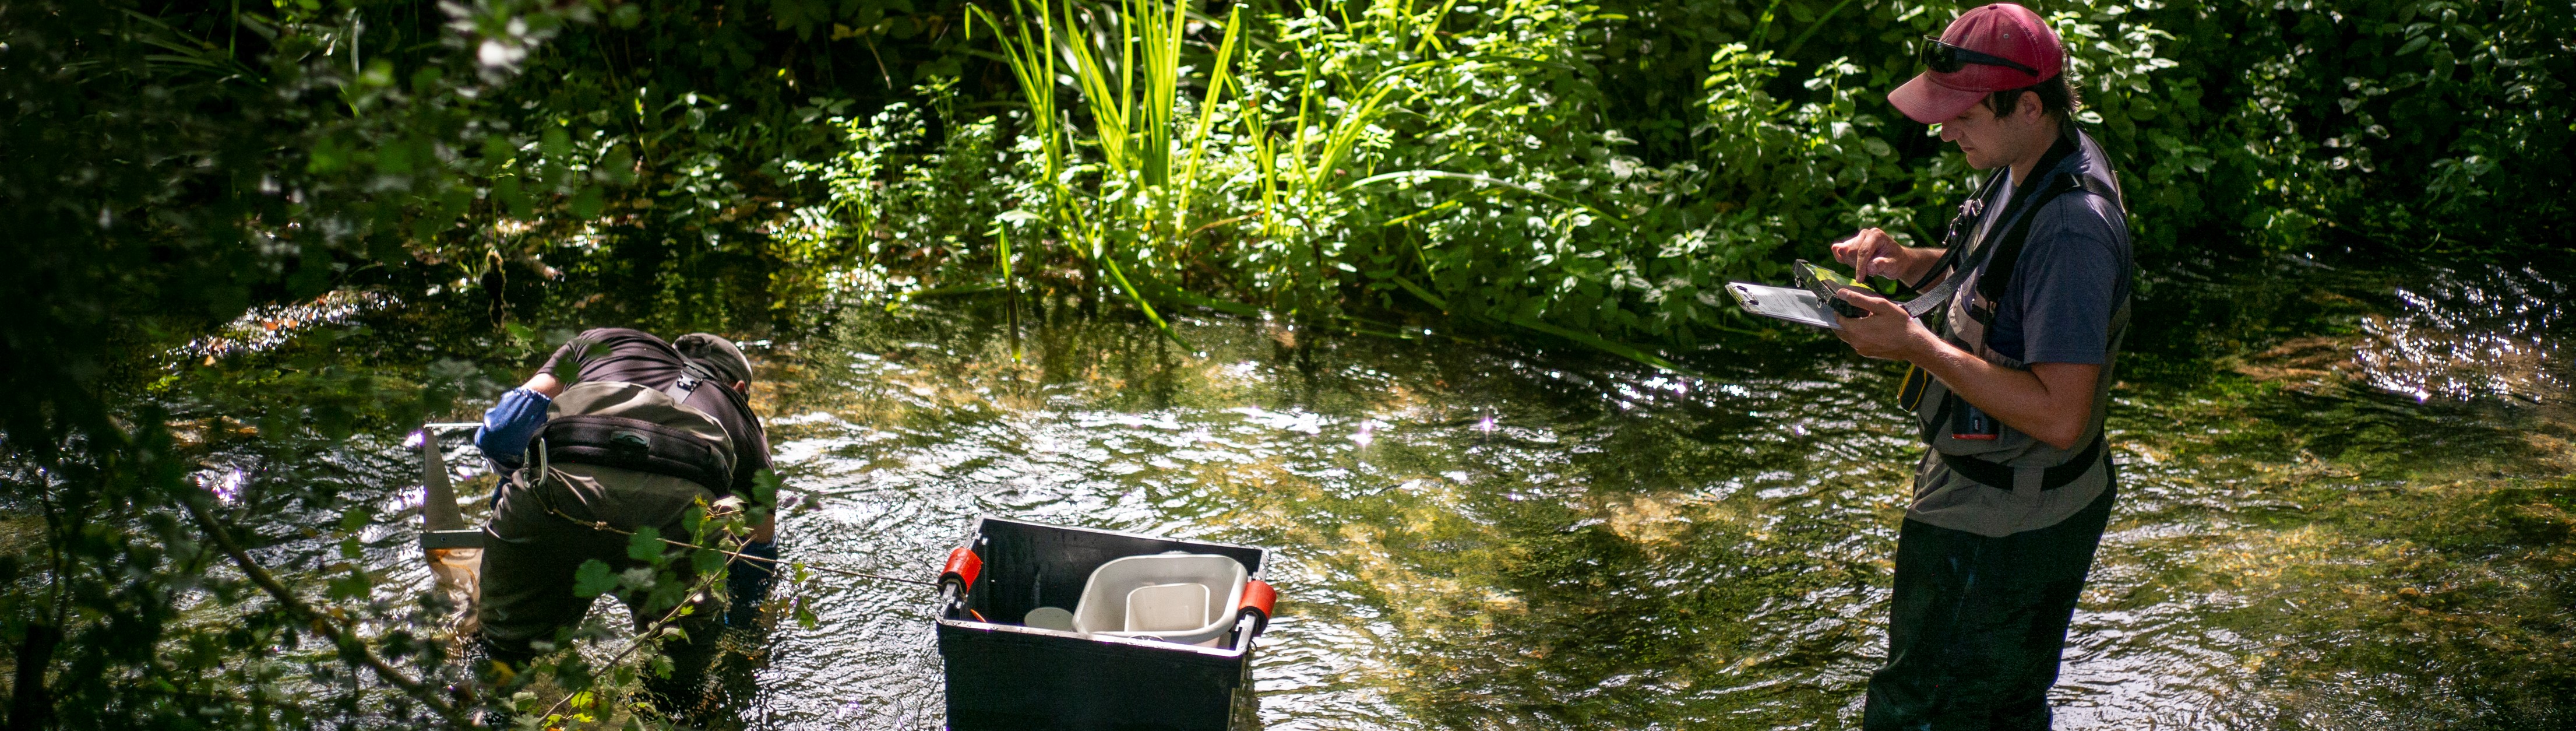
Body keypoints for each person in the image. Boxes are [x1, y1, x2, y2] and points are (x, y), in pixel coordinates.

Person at [1823, 3, 2133, 729]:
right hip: (1996, 493)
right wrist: (1908, 264)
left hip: (2008, 522)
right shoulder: (2029, 160)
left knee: (1924, 713)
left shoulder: (2071, 229)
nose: (1942, 129)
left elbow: (2061, 415)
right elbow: (1996, 282)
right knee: (1994, 712)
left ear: (2027, 104)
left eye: (1962, 114)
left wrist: (1916, 346)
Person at [468, 328, 782, 705]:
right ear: (739, 386)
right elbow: (756, 553)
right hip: (672, 527)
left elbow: (501, 431)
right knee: (675, 695)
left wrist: (511, 495)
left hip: (554, 496)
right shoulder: (741, 417)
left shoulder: (607, 343)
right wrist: (741, 629)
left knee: (506, 669)